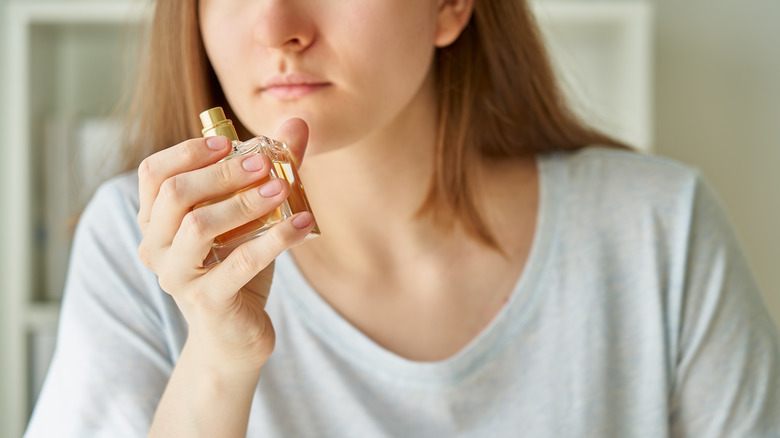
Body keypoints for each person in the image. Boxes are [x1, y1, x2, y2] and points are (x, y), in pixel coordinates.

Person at [25, 0, 780, 436]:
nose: (276, 27)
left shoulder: (660, 230)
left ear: (450, 5)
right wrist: (219, 362)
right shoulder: (138, 239)